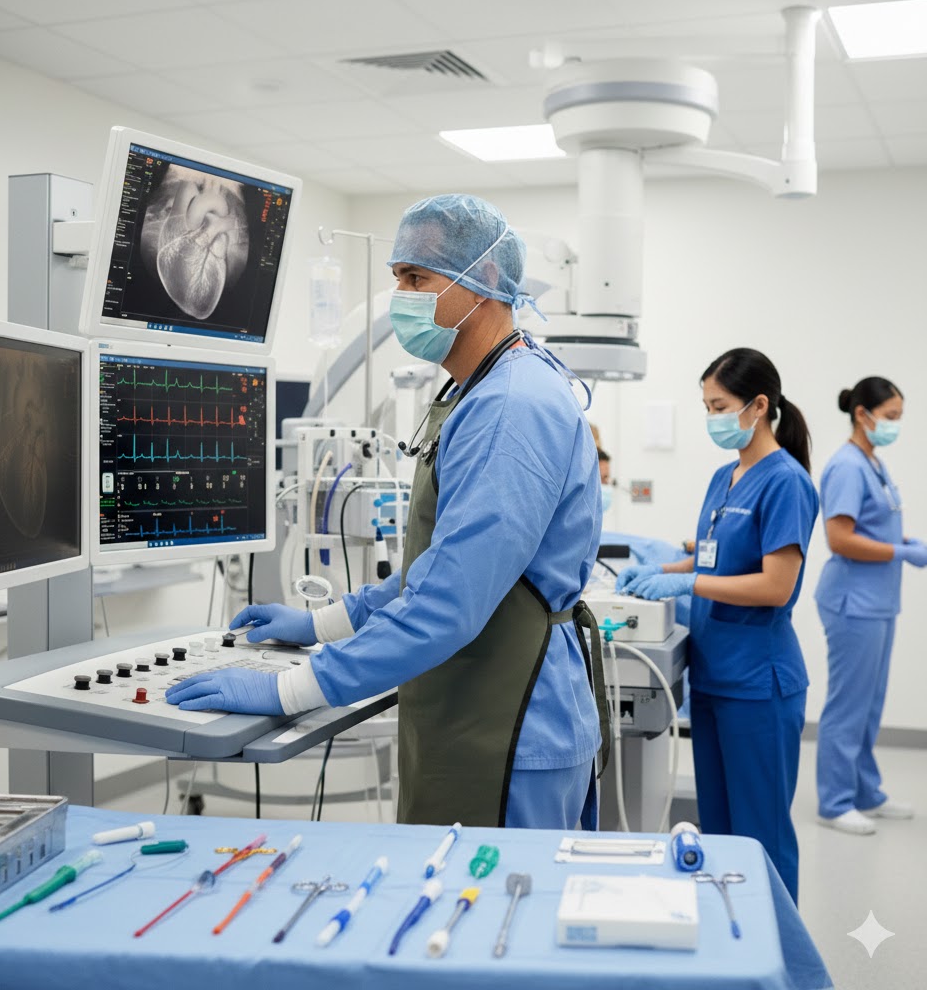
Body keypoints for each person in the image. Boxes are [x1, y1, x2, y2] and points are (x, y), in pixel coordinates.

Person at [167, 194, 607, 830]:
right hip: (478, 709)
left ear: (483, 280)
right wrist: (322, 623)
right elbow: (439, 568)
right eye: (398, 277)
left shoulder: (510, 406)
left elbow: (447, 603)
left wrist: (289, 690)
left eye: (417, 278)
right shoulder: (480, 388)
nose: (401, 296)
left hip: (510, 727)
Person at [616, 348, 818, 904]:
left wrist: (689, 584)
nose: (712, 418)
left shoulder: (786, 482)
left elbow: (776, 585)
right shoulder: (723, 478)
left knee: (761, 837)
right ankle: (732, 940)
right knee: (722, 833)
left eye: (720, 406)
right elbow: (711, 558)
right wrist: (661, 571)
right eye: (706, 406)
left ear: (759, 406)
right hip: (711, 678)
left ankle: (777, 949)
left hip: (758, 684)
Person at [814, 377, 923, 835]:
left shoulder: (873, 463)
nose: (895, 425)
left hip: (878, 601)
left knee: (870, 704)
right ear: (862, 414)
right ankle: (835, 802)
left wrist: (903, 541)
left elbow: (872, 527)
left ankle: (866, 792)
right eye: (890, 416)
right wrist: (901, 552)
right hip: (852, 602)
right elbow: (839, 538)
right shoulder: (847, 466)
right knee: (848, 705)